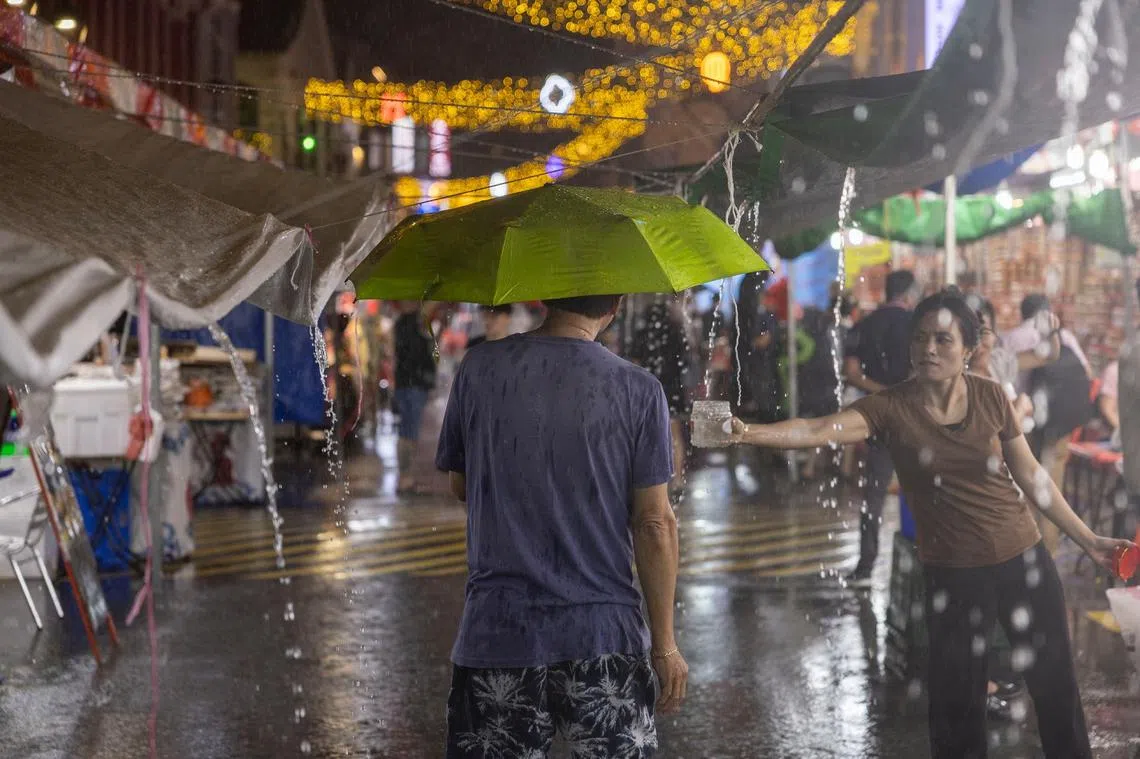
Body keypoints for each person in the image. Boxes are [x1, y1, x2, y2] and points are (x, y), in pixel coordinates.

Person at [725, 289, 1134, 759]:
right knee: (957, 709)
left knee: (1056, 689)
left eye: (943, 339)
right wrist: (749, 432)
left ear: (968, 348)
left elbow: (1032, 476)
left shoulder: (991, 396)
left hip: (1024, 561)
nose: (928, 349)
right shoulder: (890, 408)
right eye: (920, 339)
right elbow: (818, 429)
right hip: (954, 578)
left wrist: (1089, 539)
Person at [436, 294, 688, 758]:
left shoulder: (480, 368)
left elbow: (461, 485)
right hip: (602, 637)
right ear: (615, 306)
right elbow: (654, 522)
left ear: (546, 296)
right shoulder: (638, 388)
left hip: (497, 632)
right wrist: (665, 646)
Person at [842, 269, 923, 586]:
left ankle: (865, 567)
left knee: (873, 494)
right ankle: (924, 559)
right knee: (920, 488)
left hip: (877, 416)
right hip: (914, 415)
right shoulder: (918, 325)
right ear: (908, 293)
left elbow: (850, 372)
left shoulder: (864, 324)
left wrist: (880, 391)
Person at [1003, 294, 1089, 553]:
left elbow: (1007, 385)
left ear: (1023, 313)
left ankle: (1028, 549)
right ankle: (1048, 552)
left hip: (1024, 421)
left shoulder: (1012, 338)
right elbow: (1085, 372)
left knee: (1026, 483)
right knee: (1052, 488)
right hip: (1060, 424)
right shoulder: (1065, 336)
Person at [629, 298, 691, 497]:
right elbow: (686, 360)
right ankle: (678, 479)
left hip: (648, 390)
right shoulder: (676, 332)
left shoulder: (642, 334)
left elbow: (634, 363)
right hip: (672, 389)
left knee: (647, 435)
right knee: (675, 435)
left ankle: (652, 483)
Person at [393, 302, 437, 495]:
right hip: (413, 386)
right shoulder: (412, 323)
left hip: (407, 384)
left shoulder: (402, 324)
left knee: (407, 431)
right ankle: (405, 478)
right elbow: (419, 355)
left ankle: (405, 477)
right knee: (409, 433)